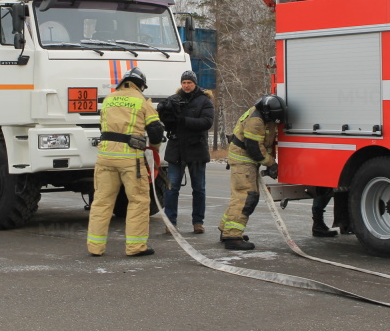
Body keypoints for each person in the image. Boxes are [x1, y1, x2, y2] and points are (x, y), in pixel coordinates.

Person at [86, 67, 164, 257]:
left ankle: (95, 247)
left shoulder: (109, 99)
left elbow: (102, 126)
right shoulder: (142, 102)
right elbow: (155, 130)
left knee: (101, 202)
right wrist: (154, 149)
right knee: (138, 201)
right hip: (131, 160)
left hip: (105, 157)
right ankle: (136, 247)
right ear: (140, 85)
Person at [219, 94, 286, 250]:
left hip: (244, 160)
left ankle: (226, 229)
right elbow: (254, 147)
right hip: (243, 161)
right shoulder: (256, 120)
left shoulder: (259, 113)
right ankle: (233, 237)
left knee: (238, 197)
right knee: (246, 197)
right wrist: (271, 164)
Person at [157, 70, 214, 235]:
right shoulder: (173, 100)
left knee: (199, 188)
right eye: (184, 83)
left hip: (196, 149)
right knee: (171, 188)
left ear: (195, 83)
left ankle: (198, 222)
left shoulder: (205, 101)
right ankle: (170, 223)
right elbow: (168, 124)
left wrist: (184, 120)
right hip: (176, 149)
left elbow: (207, 122)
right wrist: (166, 114)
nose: (186, 85)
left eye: (189, 82)